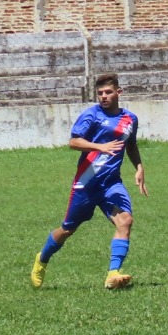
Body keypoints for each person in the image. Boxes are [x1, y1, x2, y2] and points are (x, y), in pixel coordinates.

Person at [30, 73, 148, 290]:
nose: (104, 96)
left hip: (111, 184)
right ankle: (42, 259)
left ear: (118, 92)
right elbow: (74, 141)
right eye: (100, 93)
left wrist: (139, 167)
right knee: (67, 229)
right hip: (86, 184)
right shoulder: (92, 115)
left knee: (125, 221)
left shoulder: (130, 119)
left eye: (108, 92)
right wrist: (100, 147)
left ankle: (113, 274)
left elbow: (130, 144)